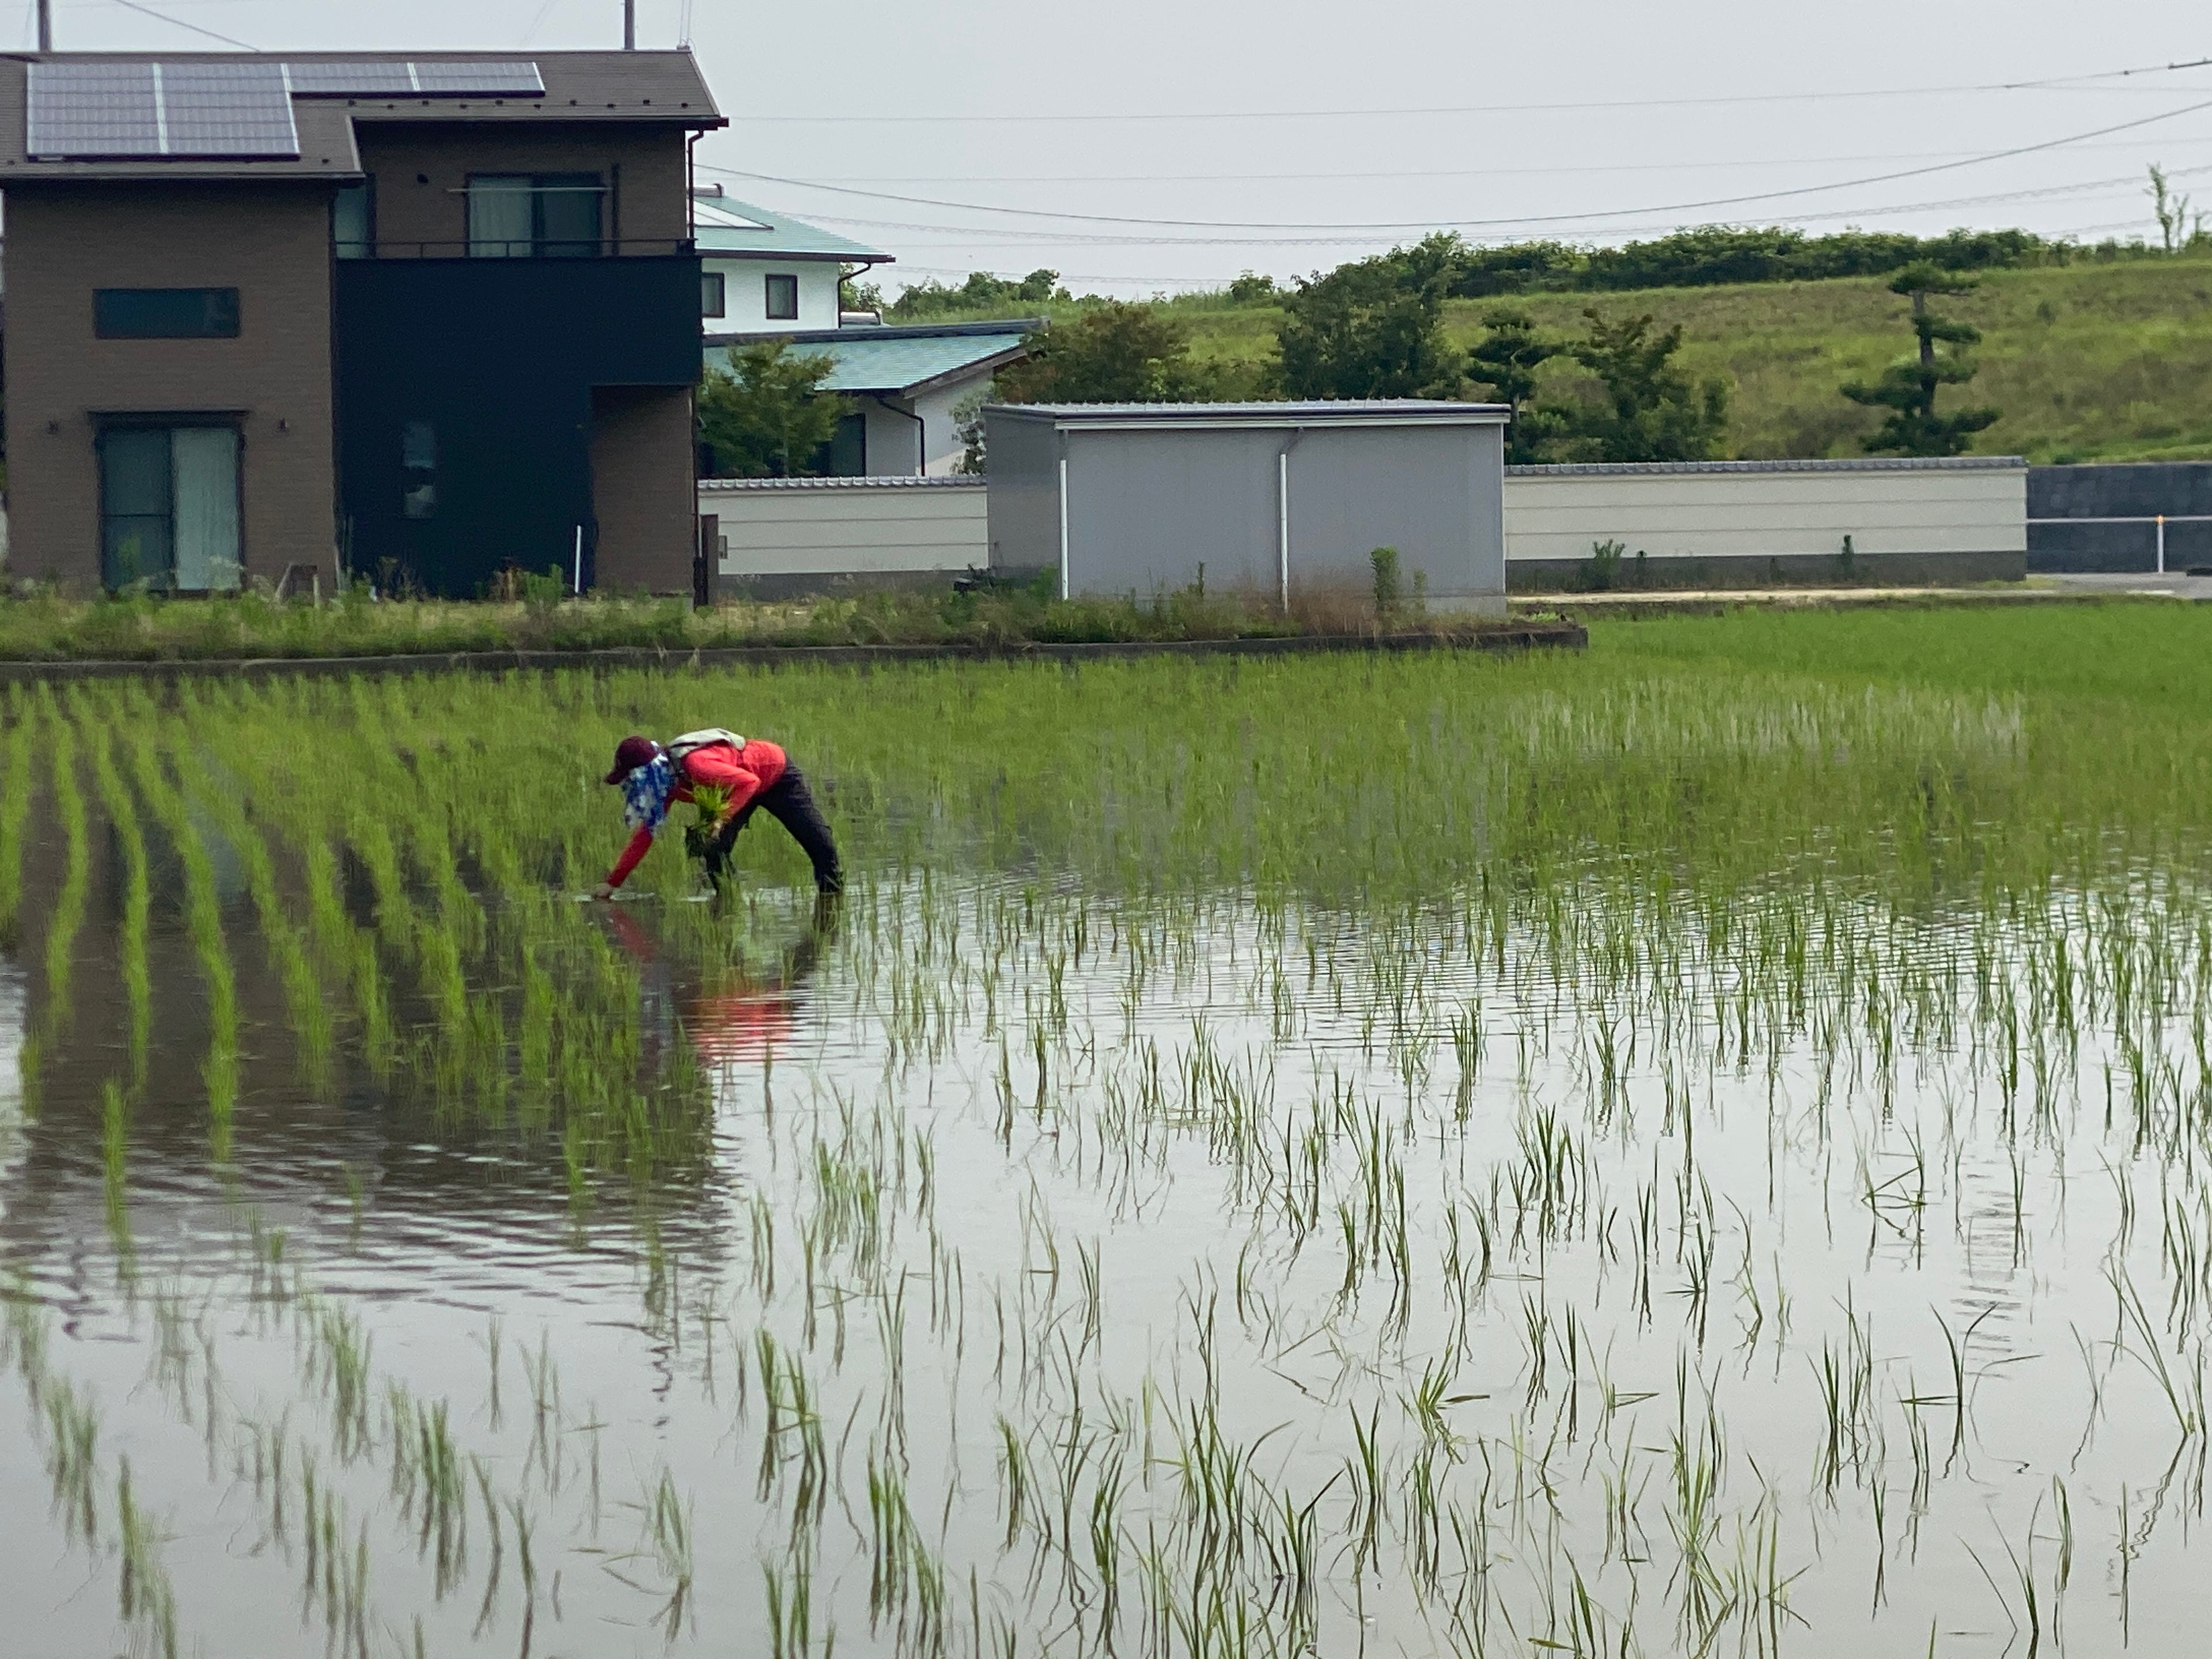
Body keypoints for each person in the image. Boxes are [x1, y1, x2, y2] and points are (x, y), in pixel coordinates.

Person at [590, 729, 843, 898]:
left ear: (647, 771)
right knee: (713, 848)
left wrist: (722, 820)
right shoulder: (669, 785)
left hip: (774, 774)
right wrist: (613, 883)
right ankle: (729, 903)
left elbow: (749, 782)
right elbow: (646, 835)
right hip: (727, 789)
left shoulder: (697, 765)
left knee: (818, 842)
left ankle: (832, 899)